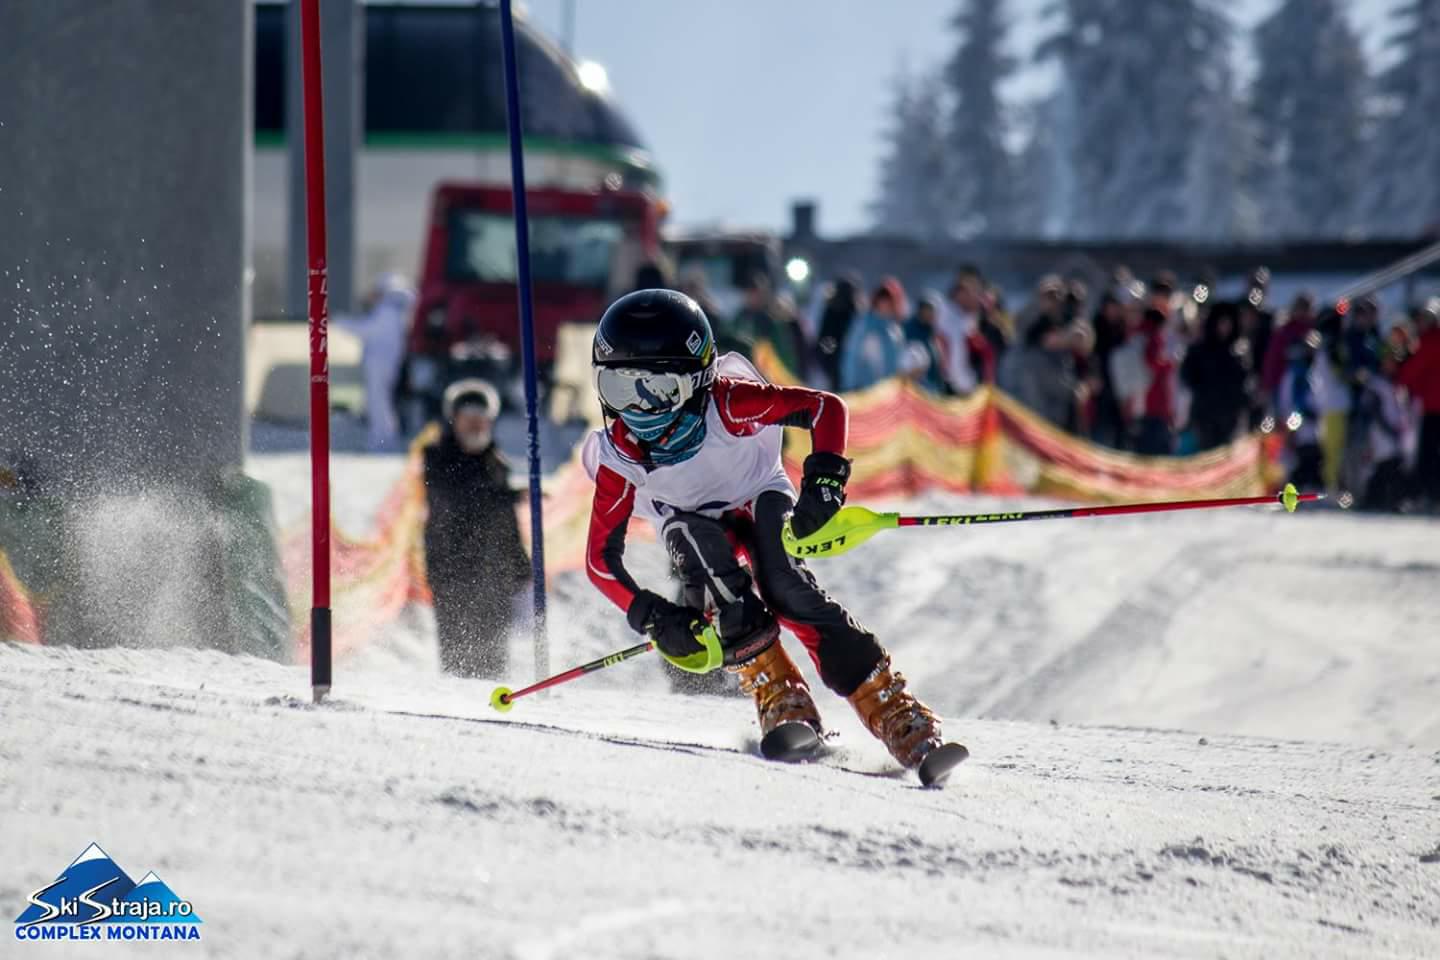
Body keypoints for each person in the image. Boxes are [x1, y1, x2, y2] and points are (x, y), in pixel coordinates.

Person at [582, 289, 952, 772]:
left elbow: (824, 408)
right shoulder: (621, 455)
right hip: (691, 522)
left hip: (757, 495)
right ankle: (779, 693)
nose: (641, 412)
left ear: (698, 381)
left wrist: (824, 480)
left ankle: (890, 705)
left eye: (660, 390)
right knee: (711, 576)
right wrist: (652, 615)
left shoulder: (728, 404)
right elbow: (599, 560)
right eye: (620, 389)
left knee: (786, 586)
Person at [423, 379, 531, 678]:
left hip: (495, 577)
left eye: (481, 417)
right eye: (468, 417)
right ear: (454, 419)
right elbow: (456, 499)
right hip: (454, 575)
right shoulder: (438, 457)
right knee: (460, 662)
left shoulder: (496, 461)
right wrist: (509, 496)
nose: (475, 424)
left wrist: (522, 569)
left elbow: (506, 523)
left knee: (493, 664)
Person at [336, 272, 414, 451]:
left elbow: (369, 331)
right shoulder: (393, 310)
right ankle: (382, 439)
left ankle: (383, 441)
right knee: (380, 403)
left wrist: (341, 323)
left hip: (382, 364)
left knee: (379, 404)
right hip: (383, 363)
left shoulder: (388, 311)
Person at [1181, 302, 1249, 451]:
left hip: (1229, 418)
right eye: (1222, 322)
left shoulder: (1238, 354)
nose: (1225, 327)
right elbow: (1187, 377)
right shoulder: (1199, 351)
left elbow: (1243, 384)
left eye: (1229, 323)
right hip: (1204, 416)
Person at [1356, 344, 1415, 511]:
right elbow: (1374, 410)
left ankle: (1386, 500)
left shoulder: (1396, 383)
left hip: (1396, 431)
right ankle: (1375, 499)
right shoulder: (1376, 384)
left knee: (1391, 466)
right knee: (1385, 465)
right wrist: (1388, 429)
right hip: (1381, 432)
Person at [839, 279, 923, 392]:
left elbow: (899, 360)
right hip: (864, 389)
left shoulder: (894, 329)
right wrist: (850, 384)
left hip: (888, 390)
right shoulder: (863, 325)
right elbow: (851, 356)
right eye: (882, 300)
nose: (885, 304)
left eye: (889, 301)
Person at [1397, 302, 1440, 508]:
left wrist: (1399, 377)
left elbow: (1413, 372)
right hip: (1431, 404)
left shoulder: (1429, 342)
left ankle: (1429, 494)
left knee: (1428, 454)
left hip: (1432, 406)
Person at [814, 274, 862, 391]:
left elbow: (824, 337)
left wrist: (827, 357)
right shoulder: (854, 312)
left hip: (837, 359)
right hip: (844, 358)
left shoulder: (832, 309)